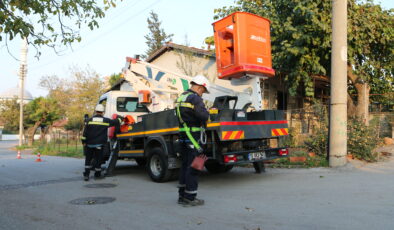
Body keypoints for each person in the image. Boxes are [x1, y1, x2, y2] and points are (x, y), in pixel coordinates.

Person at [176, 75, 210, 207]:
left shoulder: (181, 97)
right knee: (195, 167)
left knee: (185, 166)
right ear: (200, 87)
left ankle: (182, 196)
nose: (202, 94)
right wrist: (209, 114)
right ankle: (190, 197)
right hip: (194, 137)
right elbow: (203, 116)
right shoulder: (195, 98)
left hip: (184, 136)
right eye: (203, 91)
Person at [81, 104, 121, 181]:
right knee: (98, 159)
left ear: (96, 111)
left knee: (88, 160)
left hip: (89, 144)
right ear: (103, 112)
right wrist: (120, 119)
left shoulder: (89, 120)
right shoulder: (105, 120)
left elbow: (85, 132)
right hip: (99, 144)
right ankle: (97, 174)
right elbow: (115, 122)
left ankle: (86, 175)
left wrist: (84, 141)